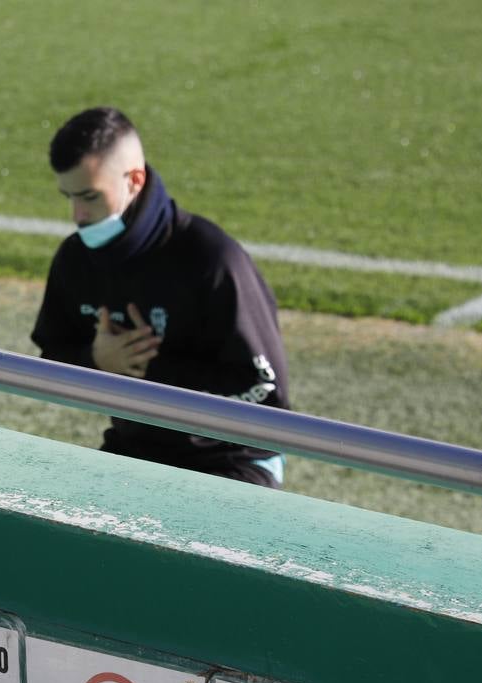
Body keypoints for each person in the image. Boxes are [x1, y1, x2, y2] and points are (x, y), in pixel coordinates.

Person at [31, 107, 290, 486]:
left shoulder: (213, 260)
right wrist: (96, 360)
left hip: (230, 458)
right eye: (68, 197)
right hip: (135, 449)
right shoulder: (75, 260)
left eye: (88, 196)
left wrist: (151, 371)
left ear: (134, 180)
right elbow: (50, 361)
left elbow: (266, 393)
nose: (77, 214)